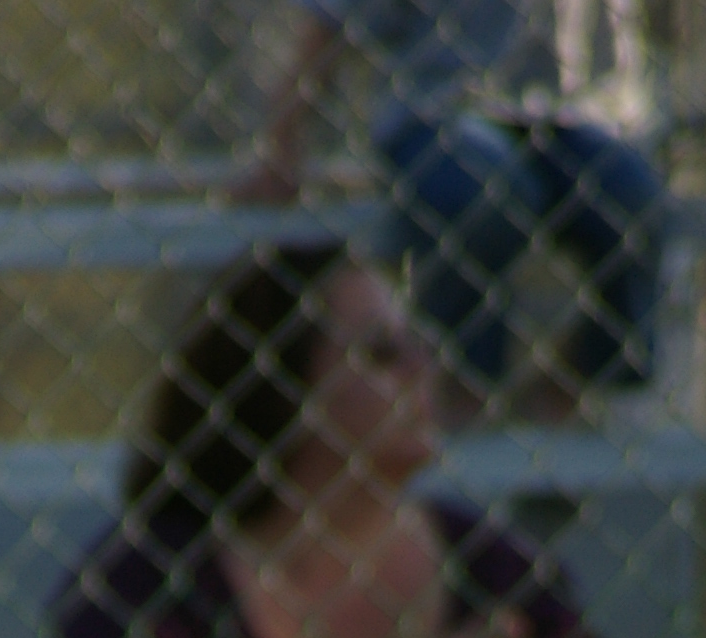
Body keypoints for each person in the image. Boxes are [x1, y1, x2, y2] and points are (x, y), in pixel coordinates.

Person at [33, 244, 616, 638]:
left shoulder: (501, 576)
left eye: (417, 344)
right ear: (284, 387)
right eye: (381, 353)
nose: (425, 368)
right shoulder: (148, 587)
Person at [243, 3, 663, 417]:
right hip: (435, 111)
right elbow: (326, 26)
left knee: (633, 193)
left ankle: (573, 386)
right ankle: (460, 388)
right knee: (489, 192)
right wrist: (282, 145)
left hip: (555, 113)